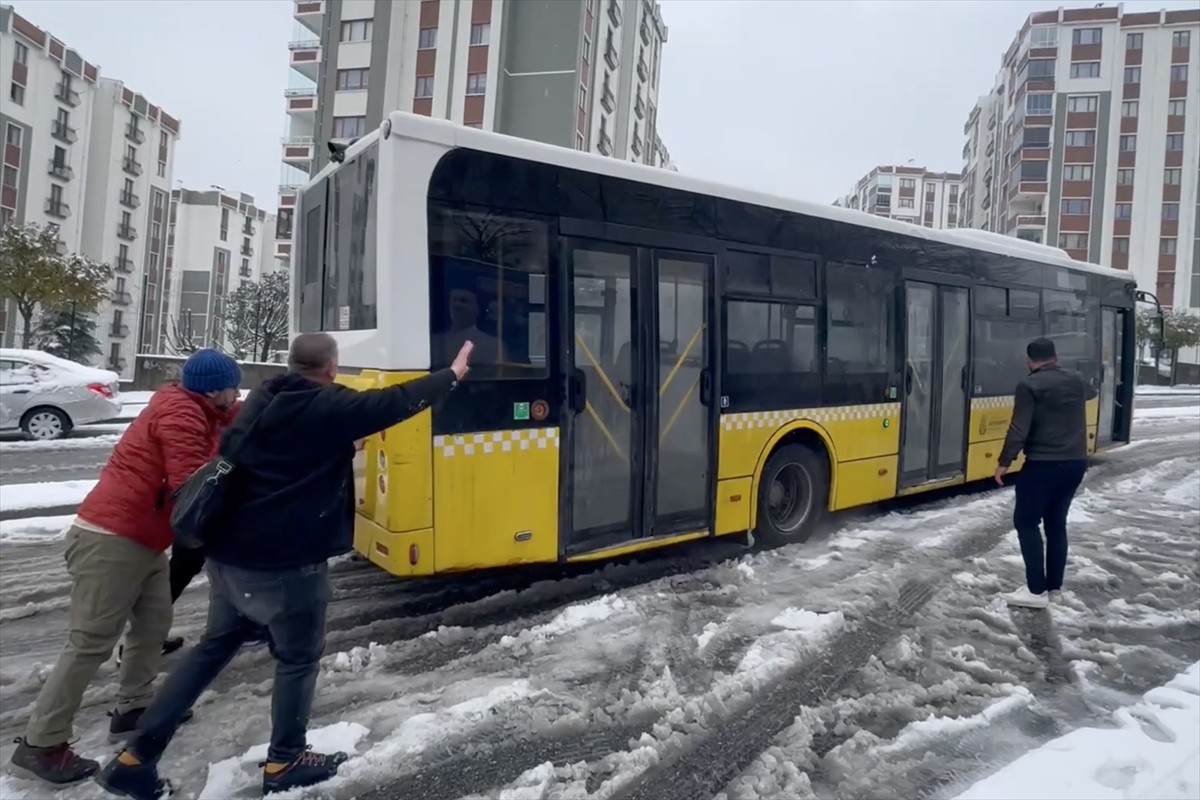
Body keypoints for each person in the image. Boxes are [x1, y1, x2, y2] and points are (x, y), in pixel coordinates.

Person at [97, 333, 473, 800]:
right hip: (284, 562)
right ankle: (286, 759)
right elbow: (394, 401)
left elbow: (289, 450)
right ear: (331, 368)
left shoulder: (265, 399)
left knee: (212, 648)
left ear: (291, 364)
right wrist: (452, 375)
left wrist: (336, 449)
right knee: (297, 659)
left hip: (229, 555)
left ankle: (136, 758)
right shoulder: (326, 405)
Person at [8, 349, 243, 787]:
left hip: (143, 539)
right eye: (234, 386)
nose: (236, 393)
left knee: (153, 625)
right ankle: (40, 743)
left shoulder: (199, 409)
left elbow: (235, 421)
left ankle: (133, 707)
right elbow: (194, 484)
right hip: (110, 539)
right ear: (217, 389)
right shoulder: (181, 417)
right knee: (91, 643)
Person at [994, 337, 1096, 609]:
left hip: (1042, 464)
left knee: (1026, 522)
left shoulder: (1028, 385)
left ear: (1029, 361)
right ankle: (1054, 589)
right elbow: (1090, 392)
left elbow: (1019, 429)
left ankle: (1035, 590)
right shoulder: (1075, 380)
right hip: (1075, 463)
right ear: (1056, 357)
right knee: (1056, 523)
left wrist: (1004, 461)